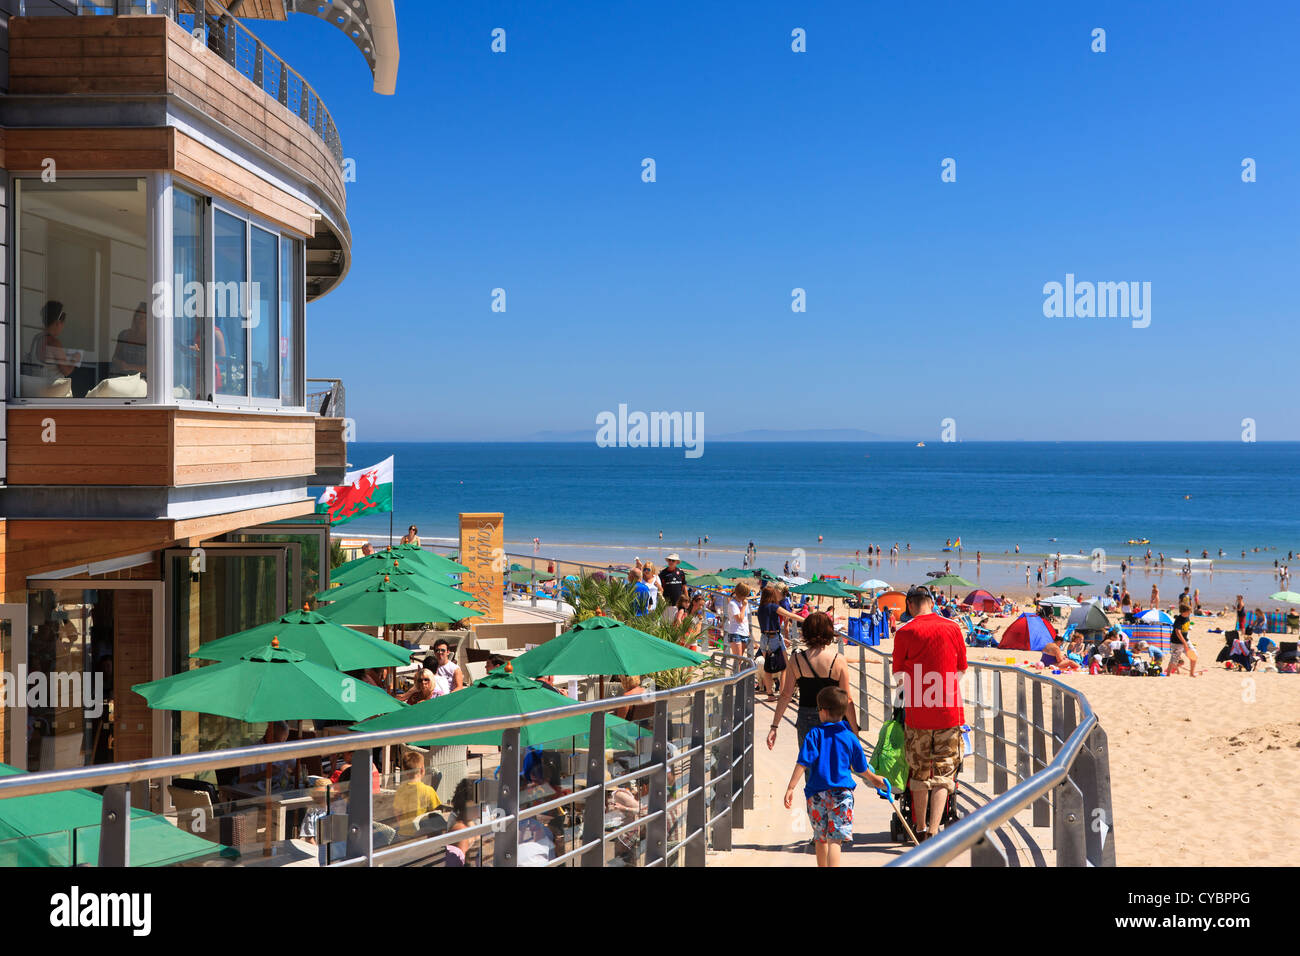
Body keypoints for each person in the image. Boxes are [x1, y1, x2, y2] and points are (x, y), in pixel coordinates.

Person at [892, 585, 967, 842]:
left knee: (920, 771)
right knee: (944, 774)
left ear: (910, 605)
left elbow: (899, 678)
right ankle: (936, 830)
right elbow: (960, 669)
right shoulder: (953, 627)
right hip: (949, 712)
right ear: (931, 603)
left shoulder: (905, 631)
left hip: (918, 714)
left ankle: (920, 829)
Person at [783, 686, 886, 867]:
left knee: (820, 838)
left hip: (816, 795)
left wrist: (791, 787)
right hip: (842, 795)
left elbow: (803, 762)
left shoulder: (814, 734)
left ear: (823, 711)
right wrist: (875, 779)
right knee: (835, 841)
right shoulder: (850, 737)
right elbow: (861, 767)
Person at [767, 611, 857, 752]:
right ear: (828, 632)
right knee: (834, 766)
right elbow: (848, 699)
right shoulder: (838, 660)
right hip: (834, 719)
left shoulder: (796, 659)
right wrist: (854, 731)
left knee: (809, 767)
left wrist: (774, 726)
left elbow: (785, 695)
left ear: (806, 632)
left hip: (806, 717)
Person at [756, 584, 802, 699]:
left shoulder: (761, 607)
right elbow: (789, 614)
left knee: (768, 668)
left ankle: (770, 694)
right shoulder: (772, 606)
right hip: (774, 638)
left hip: (764, 638)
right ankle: (783, 693)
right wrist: (806, 619)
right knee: (784, 667)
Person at [23, 299, 81, 383]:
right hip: (52, 391)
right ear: (58, 323)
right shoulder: (54, 343)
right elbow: (66, 371)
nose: (63, 327)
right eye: (63, 323)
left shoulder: (37, 338)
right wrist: (75, 359)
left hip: (36, 387)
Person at [393, 750, 442, 838]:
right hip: (421, 834)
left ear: (405, 771)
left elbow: (397, 813)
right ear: (422, 769)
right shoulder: (428, 790)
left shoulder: (400, 790)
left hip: (403, 834)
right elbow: (436, 813)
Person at [110, 302, 149, 375]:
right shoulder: (124, 334)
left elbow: (155, 366)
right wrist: (120, 363)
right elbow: (115, 357)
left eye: (145, 317)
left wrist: (130, 367)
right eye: (139, 316)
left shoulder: (153, 339)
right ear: (135, 317)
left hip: (141, 381)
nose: (141, 319)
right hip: (121, 377)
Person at [1167, 606, 1199, 677]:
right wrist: (1184, 643)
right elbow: (1178, 632)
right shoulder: (1179, 619)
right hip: (1176, 643)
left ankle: (1191, 673)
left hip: (1186, 640)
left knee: (1194, 656)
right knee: (1174, 660)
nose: (1190, 613)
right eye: (1189, 611)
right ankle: (1168, 674)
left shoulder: (1187, 617)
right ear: (1183, 612)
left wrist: (1186, 641)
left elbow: (1185, 629)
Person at [724, 582, 751, 661]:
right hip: (736, 632)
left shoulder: (743, 602)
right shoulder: (733, 604)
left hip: (744, 631)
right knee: (738, 660)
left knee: (740, 659)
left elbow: (745, 617)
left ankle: (737, 672)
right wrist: (744, 606)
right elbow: (739, 619)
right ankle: (736, 673)